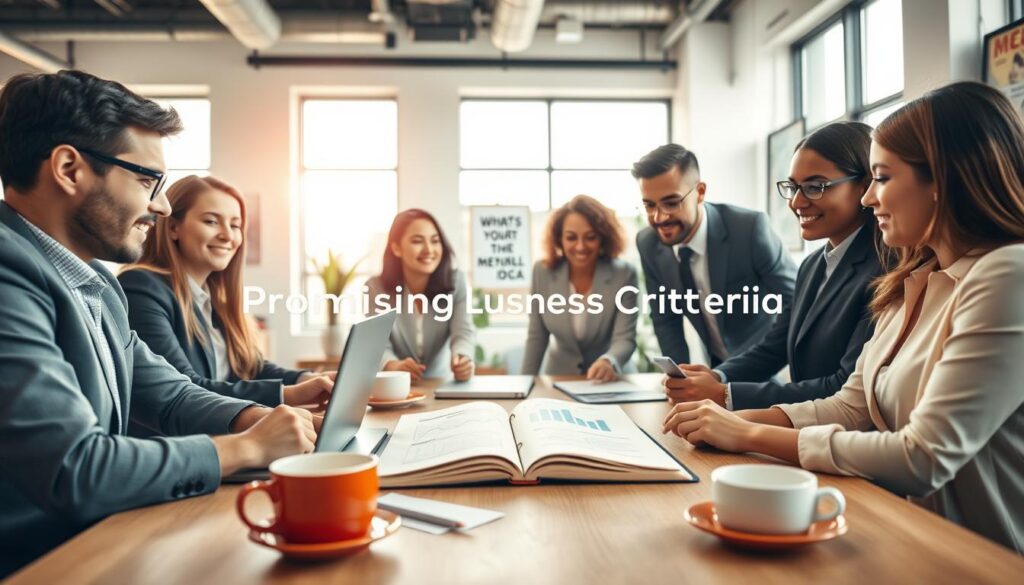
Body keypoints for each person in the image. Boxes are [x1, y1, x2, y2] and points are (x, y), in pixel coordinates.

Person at [663, 81, 1024, 552]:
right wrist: (719, 421)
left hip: (976, 556)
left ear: (943, 180)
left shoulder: (1006, 274)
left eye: (883, 178)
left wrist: (746, 430)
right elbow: (851, 407)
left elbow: (924, 456)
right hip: (900, 530)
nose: (871, 199)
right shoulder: (915, 276)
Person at [0, 70, 316, 576]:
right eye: (148, 180)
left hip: (97, 543)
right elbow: (76, 470)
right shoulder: (8, 272)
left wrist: (248, 418)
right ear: (68, 168)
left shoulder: (96, 285)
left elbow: (169, 394)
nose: (161, 205)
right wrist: (247, 447)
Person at [663, 122, 888, 410]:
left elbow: (843, 387)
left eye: (815, 187)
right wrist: (718, 375)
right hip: (804, 433)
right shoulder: (812, 266)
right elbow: (774, 347)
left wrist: (725, 394)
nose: (796, 202)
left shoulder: (884, 270)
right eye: (793, 187)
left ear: (865, 185)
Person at [118, 175, 333, 415]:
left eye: (235, 225)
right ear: (173, 227)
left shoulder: (212, 297)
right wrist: (288, 394)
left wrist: (309, 378)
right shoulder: (141, 286)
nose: (228, 236)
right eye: (211, 222)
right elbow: (184, 389)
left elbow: (251, 366)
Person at [633, 144, 797, 367]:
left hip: (769, 366)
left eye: (671, 203)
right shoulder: (648, 243)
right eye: (649, 205)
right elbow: (665, 318)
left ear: (700, 192)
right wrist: (680, 375)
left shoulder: (749, 229)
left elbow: (796, 302)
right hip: (715, 366)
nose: (659, 217)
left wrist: (739, 372)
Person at [521, 195, 639, 379]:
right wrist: (524, 384)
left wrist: (609, 360)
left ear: (603, 238)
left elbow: (625, 338)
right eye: (571, 237)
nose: (580, 246)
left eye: (590, 237)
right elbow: (537, 336)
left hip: (610, 380)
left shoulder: (624, 274)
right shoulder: (542, 272)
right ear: (559, 239)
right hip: (560, 378)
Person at [365, 209, 476, 383]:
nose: (429, 249)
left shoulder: (456, 282)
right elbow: (376, 342)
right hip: (395, 385)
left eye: (435, 241)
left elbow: (463, 331)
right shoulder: (375, 288)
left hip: (441, 383)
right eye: (417, 241)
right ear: (396, 248)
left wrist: (462, 358)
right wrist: (392, 364)